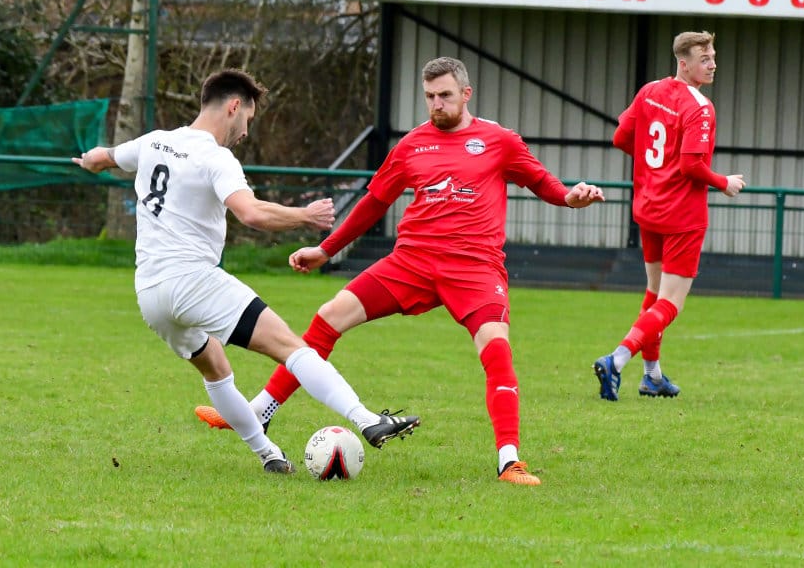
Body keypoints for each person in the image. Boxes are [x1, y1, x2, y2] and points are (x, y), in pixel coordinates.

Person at [195, 57, 605, 485]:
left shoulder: (499, 140)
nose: (436, 104)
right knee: (330, 315)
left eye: (445, 95)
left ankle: (509, 461)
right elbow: (374, 202)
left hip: (474, 267)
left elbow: (542, 182)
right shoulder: (412, 145)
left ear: (466, 94)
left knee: (496, 348)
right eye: (429, 96)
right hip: (412, 261)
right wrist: (325, 250)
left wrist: (568, 196)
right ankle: (260, 411)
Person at [72, 68, 419, 474]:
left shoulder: (155, 141)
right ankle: (367, 419)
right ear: (234, 107)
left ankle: (269, 455)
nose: (246, 132)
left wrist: (90, 161)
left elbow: (104, 156)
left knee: (216, 368)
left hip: (150, 294)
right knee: (293, 348)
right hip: (194, 281)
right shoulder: (216, 158)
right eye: (248, 120)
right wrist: (304, 215)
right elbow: (251, 213)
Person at [592, 31, 746, 401]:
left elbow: (621, 138)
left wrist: (656, 167)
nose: (712, 64)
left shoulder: (650, 91)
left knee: (654, 291)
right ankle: (617, 359)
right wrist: (724, 182)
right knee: (671, 302)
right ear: (683, 63)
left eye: (713, 57)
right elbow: (692, 166)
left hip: (649, 206)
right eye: (704, 59)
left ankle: (652, 375)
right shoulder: (700, 107)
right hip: (682, 215)